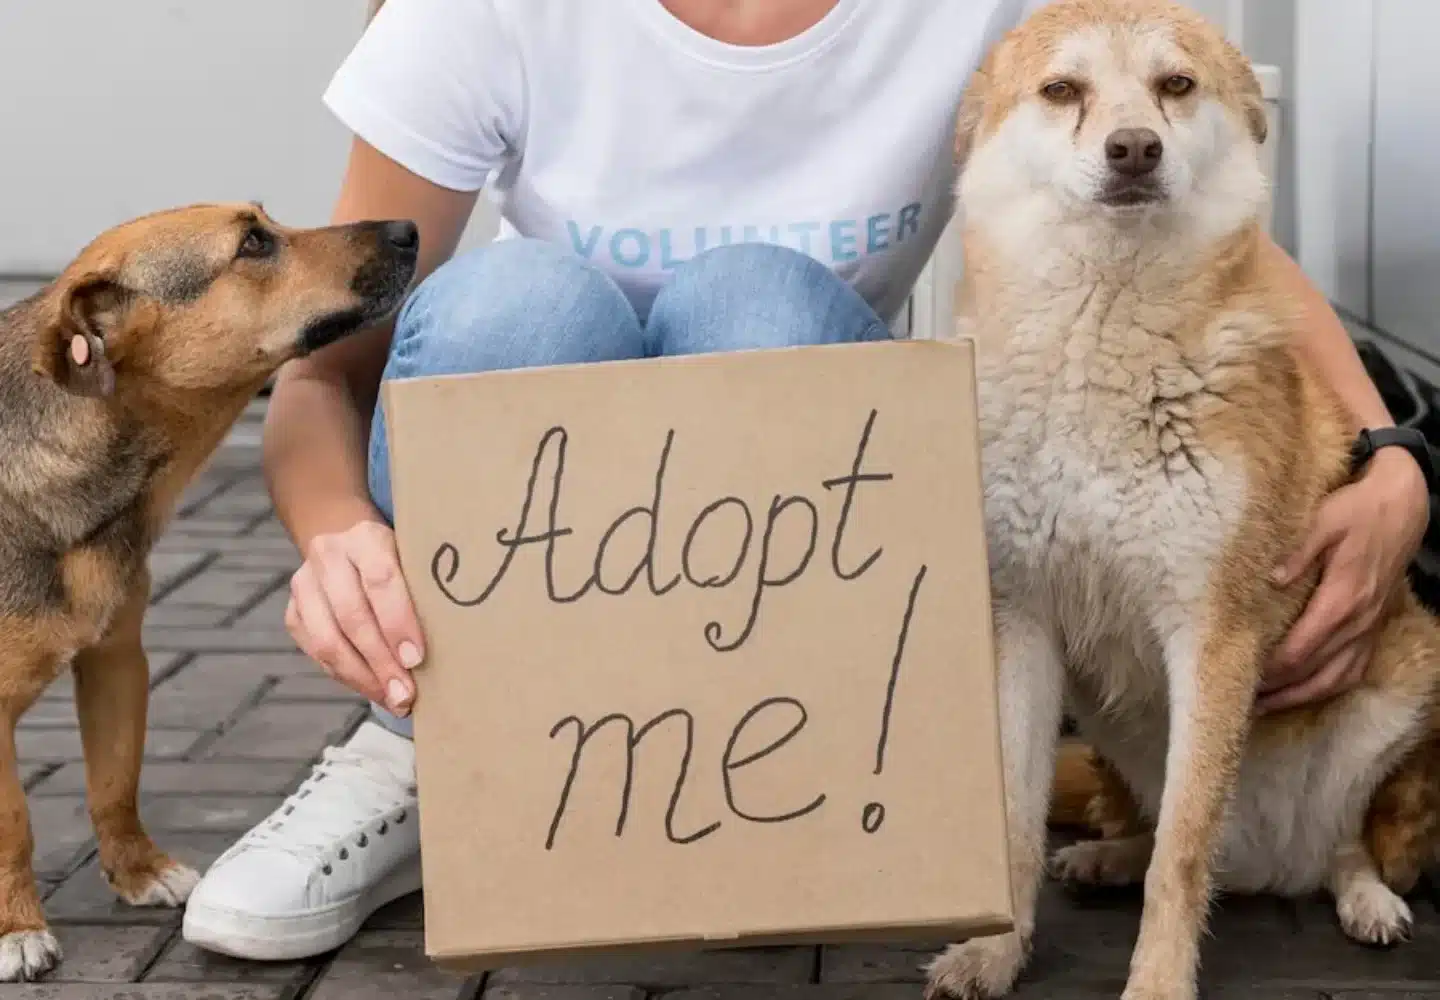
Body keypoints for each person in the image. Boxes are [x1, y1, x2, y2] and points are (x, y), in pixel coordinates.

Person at [180, 0, 1432, 961]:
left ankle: (764, 782)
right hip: (535, 496)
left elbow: (1197, 208)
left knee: (758, 297)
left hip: (778, 514)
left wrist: (1394, 462)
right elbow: (322, 372)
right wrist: (338, 539)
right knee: (521, 298)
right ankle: (424, 752)